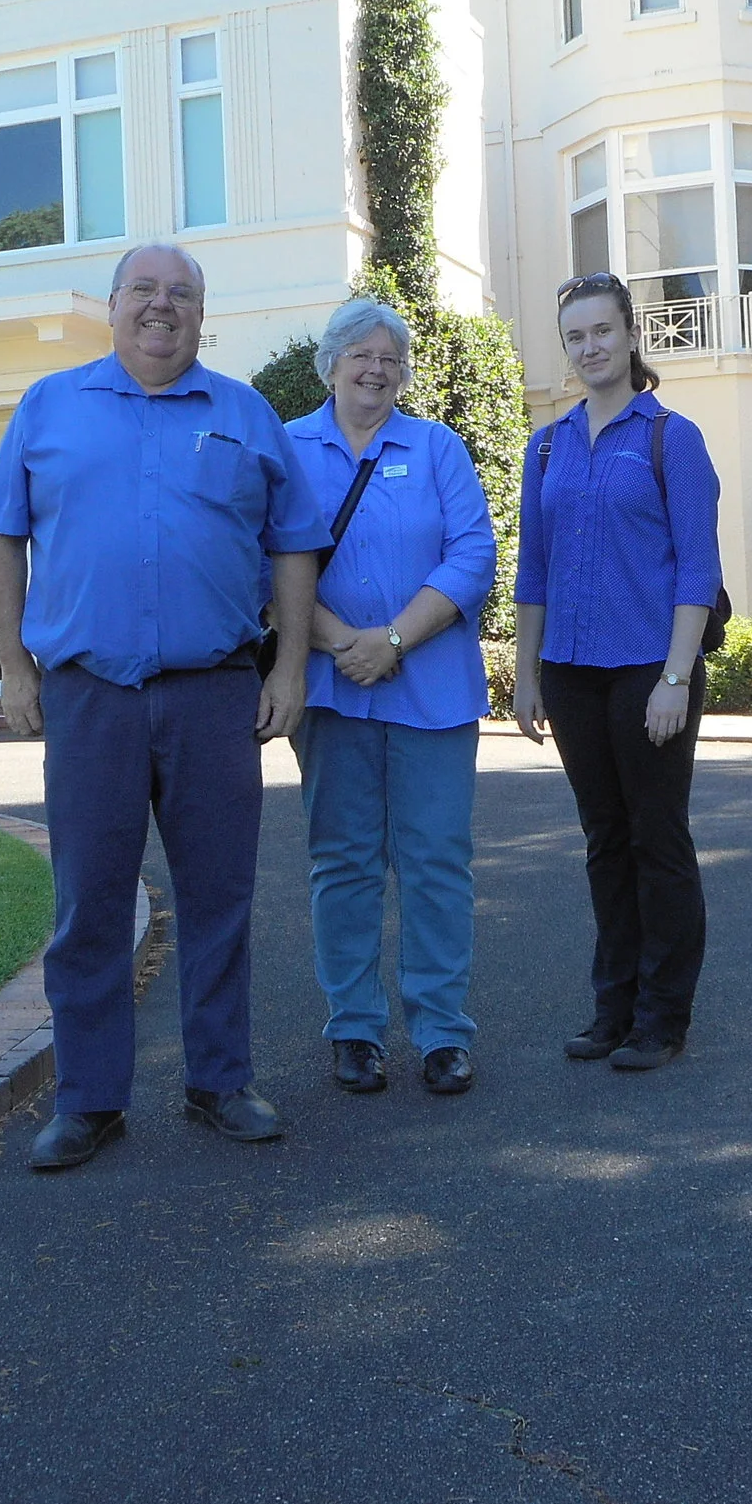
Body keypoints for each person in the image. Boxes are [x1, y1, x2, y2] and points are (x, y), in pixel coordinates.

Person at [0, 242, 330, 1170]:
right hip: (90, 695)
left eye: (181, 294)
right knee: (88, 900)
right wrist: (15, 665)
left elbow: (293, 547)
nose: (161, 307)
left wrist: (289, 668)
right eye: (145, 291)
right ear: (113, 304)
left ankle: (220, 1081)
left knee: (221, 896)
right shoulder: (49, 406)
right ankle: (88, 1098)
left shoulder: (246, 413)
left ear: (203, 314)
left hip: (215, 694)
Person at [512, 271, 723, 1072]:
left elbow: (697, 569)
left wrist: (675, 676)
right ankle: (614, 1007)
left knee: (657, 838)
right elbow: (535, 568)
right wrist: (528, 677)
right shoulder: (548, 445)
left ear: (632, 335)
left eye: (602, 330)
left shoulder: (672, 436)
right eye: (575, 336)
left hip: (649, 669)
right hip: (570, 670)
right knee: (604, 840)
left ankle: (663, 1016)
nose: (589, 347)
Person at [286, 297, 497, 1098]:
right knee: (342, 863)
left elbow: (473, 551)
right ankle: (354, 1030)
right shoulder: (288, 448)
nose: (377, 369)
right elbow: (269, 562)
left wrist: (395, 640)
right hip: (332, 691)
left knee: (437, 861)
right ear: (330, 362)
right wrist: (344, 643)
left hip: (432, 689)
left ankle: (442, 1031)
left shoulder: (438, 447)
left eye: (391, 359)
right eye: (361, 355)